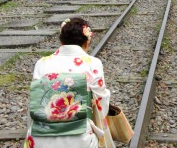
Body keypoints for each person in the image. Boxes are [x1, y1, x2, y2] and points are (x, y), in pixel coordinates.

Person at [25, 17, 114, 148]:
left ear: (61, 41)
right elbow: (101, 100)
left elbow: (34, 100)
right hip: (80, 137)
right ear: (87, 41)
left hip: (41, 137)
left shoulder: (42, 63)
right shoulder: (93, 63)